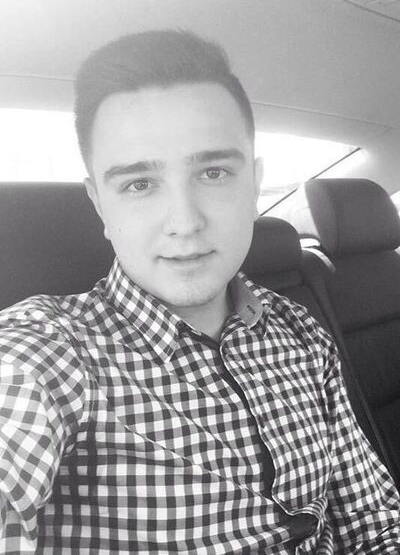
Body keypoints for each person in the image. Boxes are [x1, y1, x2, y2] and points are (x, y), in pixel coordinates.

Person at [0, 30, 399, 555]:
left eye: (214, 172)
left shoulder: (301, 330)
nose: (185, 223)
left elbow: (373, 522)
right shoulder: (48, 353)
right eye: (139, 184)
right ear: (99, 204)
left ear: (253, 184)